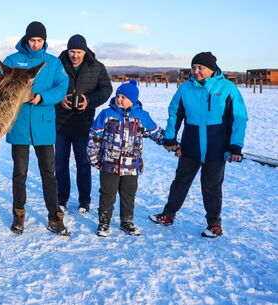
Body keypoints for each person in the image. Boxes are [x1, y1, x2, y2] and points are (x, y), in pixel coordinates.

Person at [149, 52, 248, 238]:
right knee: (180, 182)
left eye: (200, 67)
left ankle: (214, 225)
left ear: (211, 69)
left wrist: (235, 145)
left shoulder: (227, 88)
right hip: (191, 144)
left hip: (216, 147)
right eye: (194, 67)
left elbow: (239, 118)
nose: (196, 71)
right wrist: (170, 138)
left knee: (211, 186)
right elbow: (174, 113)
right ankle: (168, 215)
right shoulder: (185, 88)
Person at [3, 21, 70, 236]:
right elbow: (1, 84)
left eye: (39, 40)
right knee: (19, 173)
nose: (35, 44)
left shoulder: (53, 63)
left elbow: (62, 86)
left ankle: (54, 216)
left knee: (48, 173)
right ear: (26, 39)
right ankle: (19, 215)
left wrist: (42, 97)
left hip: (44, 124)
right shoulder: (12, 61)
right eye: (32, 40)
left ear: (45, 41)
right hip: (20, 123)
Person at [88, 80, 164, 237]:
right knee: (107, 194)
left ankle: (127, 222)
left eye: (123, 97)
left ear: (133, 99)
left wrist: (171, 143)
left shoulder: (141, 116)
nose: (119, 99)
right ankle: (104, 222)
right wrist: (94, 157)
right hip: (109, 164)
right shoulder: (107, 114)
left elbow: (156, 133)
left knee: (128, 194)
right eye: (118, 96)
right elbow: (94, 136)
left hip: (131, 166)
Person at [55, 34, 113, 214]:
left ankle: (84, 200)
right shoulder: (58, 65)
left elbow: (106, 90)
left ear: (85, 51)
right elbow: (48, 87)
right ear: (68, 50)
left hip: (83, 124)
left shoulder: (96, 67)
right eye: (72, 51)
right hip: (60, 124)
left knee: (83, 163)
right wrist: (60, 100)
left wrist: (89, 100)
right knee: (60, 164)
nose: (75, 55)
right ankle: (61, 198)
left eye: (79, 52)